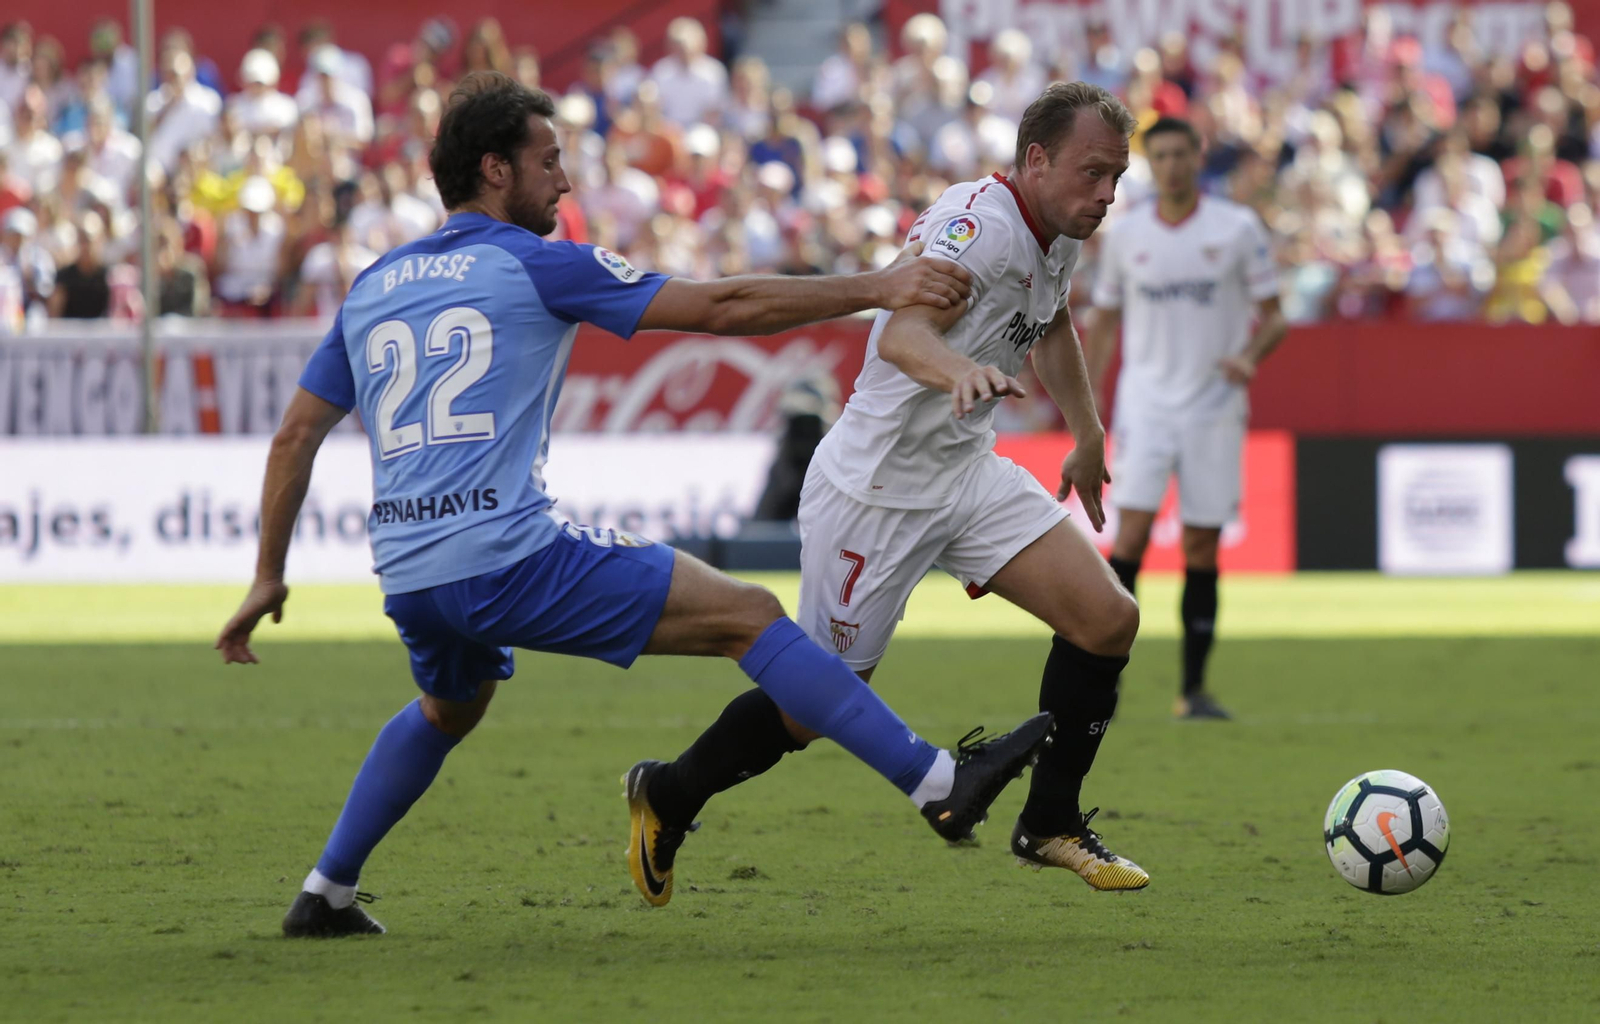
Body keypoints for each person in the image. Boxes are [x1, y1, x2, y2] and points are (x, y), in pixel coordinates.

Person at [215, 72, 1052, 937]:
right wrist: (876, 286)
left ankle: (326, 893)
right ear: (495, 170)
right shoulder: (538, 263)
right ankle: (938, 785)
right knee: (751, 616)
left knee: (449, 706)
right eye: (550, 162)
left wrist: (267, 575)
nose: (566, 182)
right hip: (506, 555)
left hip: (408, 572)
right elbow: (723, 304)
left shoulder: (374, 285)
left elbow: (294, 438)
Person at [635, 82, 1151, 902]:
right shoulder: (975, 231)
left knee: (1108, 619)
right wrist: (961, 372)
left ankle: (1050, 822)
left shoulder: (1059, 231)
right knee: (812, 709)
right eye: (1094, 173)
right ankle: (668, 792)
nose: (1106, 196)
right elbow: (902, 329)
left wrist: (1086, 432)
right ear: (1036, 158)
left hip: (963, 473)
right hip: (874, 491)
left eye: (1117, 179)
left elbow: (1049, 323)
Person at [1084, 117, 1288, 720]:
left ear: (1199, 156)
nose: (1172, 165)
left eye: (1181, 153)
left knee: (1201, 544)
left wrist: (1248, 357)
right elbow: (1103, 320)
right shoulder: (1127, 235)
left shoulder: (1238, 228)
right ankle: (1103, 682)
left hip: (1214, 407)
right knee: (1131, 538)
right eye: (1161, 155)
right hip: (1145, 404)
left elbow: (1275, 315)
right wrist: (1089, 400)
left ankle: (1192, 690)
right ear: (1149, 163)